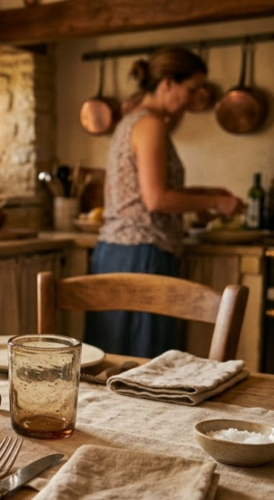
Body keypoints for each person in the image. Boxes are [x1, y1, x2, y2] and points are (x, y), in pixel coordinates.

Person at [85, 47, 244, 358]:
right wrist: (213, 201)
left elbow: (151, 189)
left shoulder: (135, 120)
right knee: (143, 365)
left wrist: (207, 194)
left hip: (120, 253)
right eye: (192, 87)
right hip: (141, 253)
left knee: (114, 363)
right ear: (168, 83)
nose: (196, 96)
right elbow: (156, 199)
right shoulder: (150, 124)